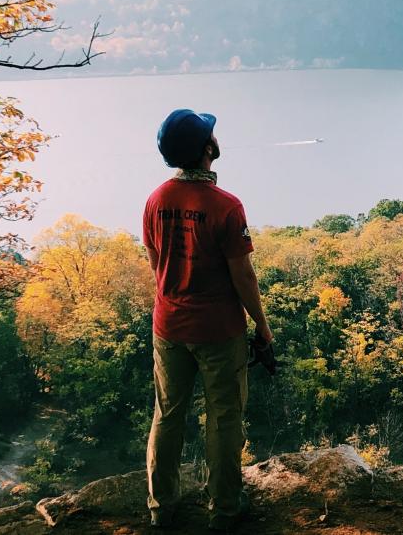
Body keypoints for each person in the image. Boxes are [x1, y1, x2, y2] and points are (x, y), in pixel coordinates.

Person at [143, 108, 274, 531]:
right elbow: (244, 276)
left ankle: (161, 507)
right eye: (211, 134)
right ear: (206, 150)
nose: (215, 138)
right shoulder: (226, 206)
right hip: (219, 330)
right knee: (223, 419)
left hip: (169, 325)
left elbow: (155, 261)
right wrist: (262, 325)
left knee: (168, 414)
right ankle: (224, 509)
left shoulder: (156, 199)